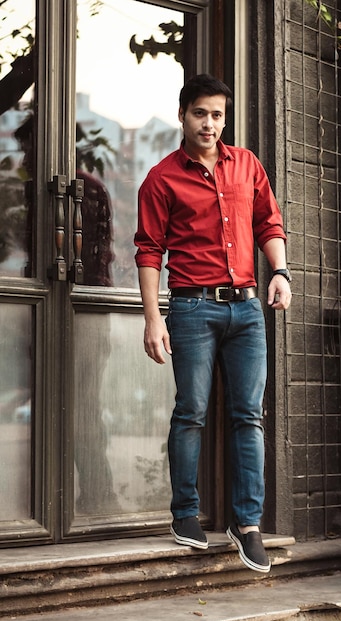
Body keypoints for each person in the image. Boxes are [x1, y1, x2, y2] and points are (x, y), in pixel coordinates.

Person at [134, 74, 291, 573]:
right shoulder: (161, 178)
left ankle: (248, 526)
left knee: (249, 415)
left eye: (218, 115)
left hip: (246, 309)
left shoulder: (246, 165)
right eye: (201, 113)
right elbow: (149, 250)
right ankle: (184, 514)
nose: (209, 123)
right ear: (183, 115)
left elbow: (268, 221)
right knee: (192, 412)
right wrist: (153, 317)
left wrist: (281, 271)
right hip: (192, 309)